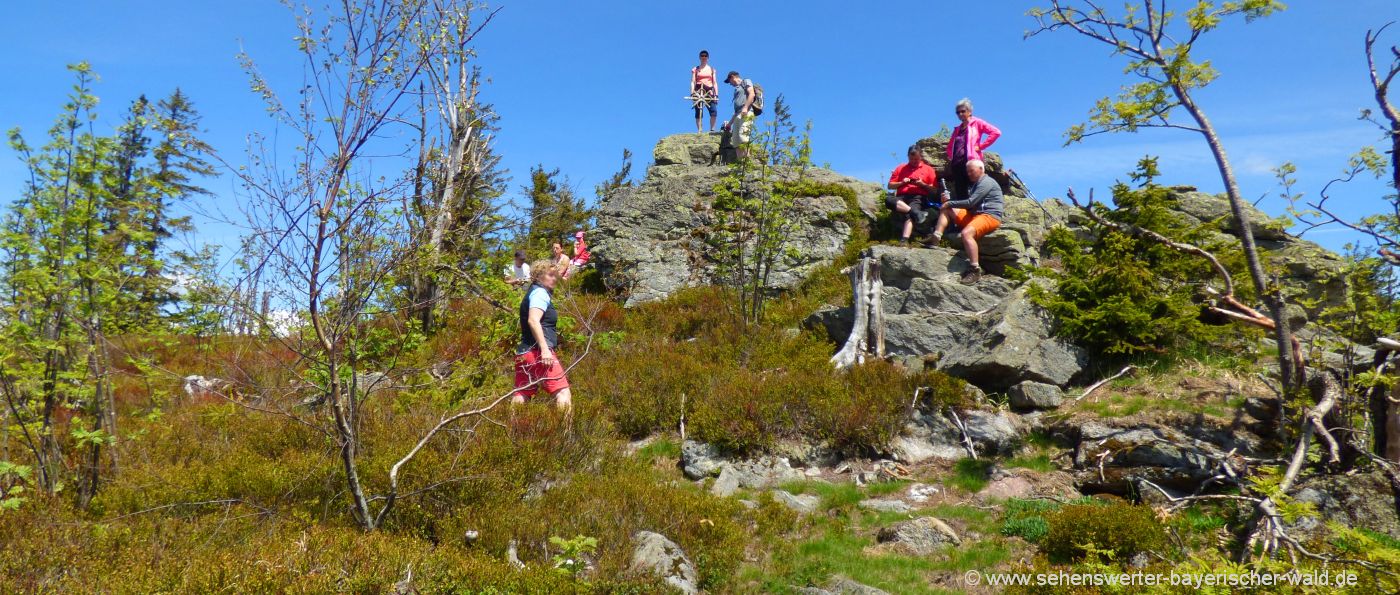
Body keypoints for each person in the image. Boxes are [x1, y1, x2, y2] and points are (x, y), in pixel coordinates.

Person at [925, 159, 1003, 285]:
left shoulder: (986, 182)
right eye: (968, 172)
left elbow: (970, 202)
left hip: (989, 216)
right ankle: (936, 237)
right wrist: (948, 202)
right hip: (975, 215)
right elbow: (970, 205)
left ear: (981, 169)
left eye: (971, 171)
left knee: (966, 233)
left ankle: (975, 269)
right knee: (947, 208)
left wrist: (949, 202)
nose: (969, 174)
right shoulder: (975, 184)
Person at [511, 262, 572, 411]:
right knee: (563, 392)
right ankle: (565, 433)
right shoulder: (540, 293)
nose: (554, 279)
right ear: (538, 277)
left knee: (522, 393)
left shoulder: (532, 292)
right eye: (550, 275)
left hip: (524, 353)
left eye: (555, 275)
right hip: (538, 352)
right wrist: (545, 350)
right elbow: (533, 320)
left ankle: (512, 430)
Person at [944, 98, 1001, 200]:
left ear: (969, 111)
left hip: (971, 162)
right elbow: (950, 146)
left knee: (976, 190)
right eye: (958, 112)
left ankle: (978, 213)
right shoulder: (957, 129)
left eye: (963, 111)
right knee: (961, 192)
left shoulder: (977, 122)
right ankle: (964, 215)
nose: (960, 114)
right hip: (957, 164)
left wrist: (981, 146)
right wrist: (951, 157)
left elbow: (996, 132)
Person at [886, 145, 940, 243]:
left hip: (918, 197)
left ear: (921, 157)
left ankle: (904, 239)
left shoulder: (928, 169)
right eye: (911, 159)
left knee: (909, 213)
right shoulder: (901, 168)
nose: (914, 161)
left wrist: (922, 184)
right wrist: (902, 182)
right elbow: (890, 185)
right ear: (908, 157)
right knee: (888, 200)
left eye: (916, 159)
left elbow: (934, 191)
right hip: (901, 197)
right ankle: (917, 214)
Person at [723, 71, 756, 159]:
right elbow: (736, 111)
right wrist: (729, 124)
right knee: (736, 141)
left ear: (732, 77)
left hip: (746, 112)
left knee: (743, 138)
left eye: (729, 81)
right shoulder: (736, 89)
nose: (730, 84)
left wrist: (745, 107)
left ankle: (747, 162)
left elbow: (752, 94)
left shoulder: (746, 81)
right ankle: (740, 164)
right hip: (738, 114)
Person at [690, 50, 719, 133]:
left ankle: (712, 129)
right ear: (699, 57)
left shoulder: (712, 69)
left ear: (708, 58)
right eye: (702, 56)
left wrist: (716, 95)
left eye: (705, 56)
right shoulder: (695, 69)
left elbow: (715, 82)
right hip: (698, 90)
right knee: (698, 110)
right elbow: (693, 81)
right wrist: (692, 92)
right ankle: (700, 129)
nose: (704, 57)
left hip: (709, 91)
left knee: (713, 110)